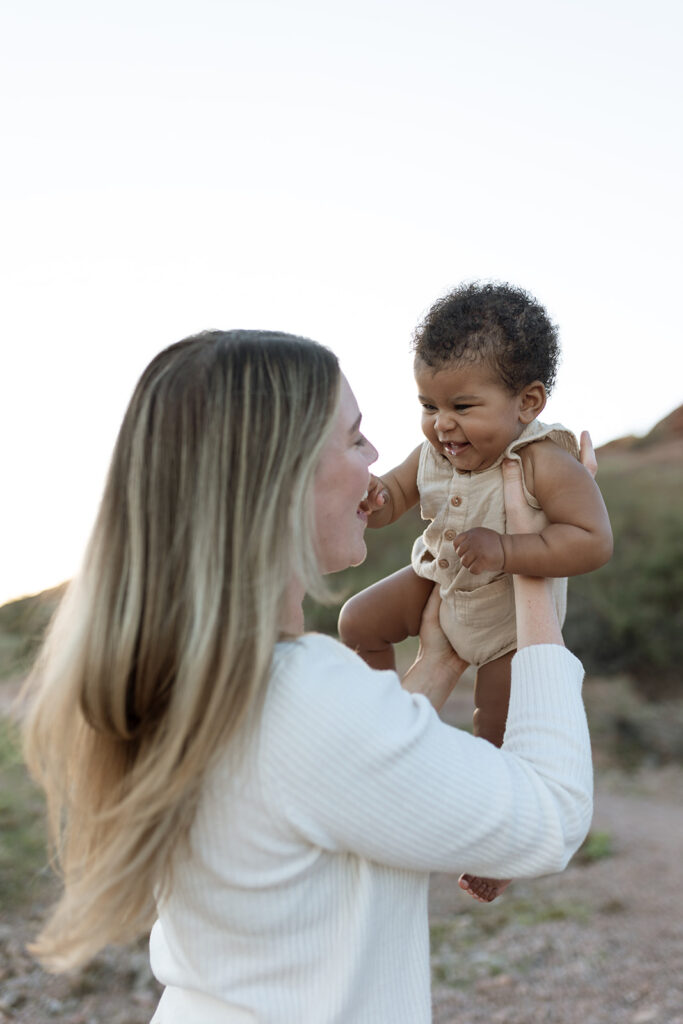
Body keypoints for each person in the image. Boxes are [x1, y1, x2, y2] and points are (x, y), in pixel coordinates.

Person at [22, 329, 594, 1024]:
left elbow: (344, 773)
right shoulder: (302, 695)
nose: (378, 459)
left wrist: (437, 664)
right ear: (281, 475)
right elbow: (550, 818)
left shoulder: (205, 679)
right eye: (354, 440)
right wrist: (530, 567)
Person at [339, 282, 612, 903]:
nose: (442, 424)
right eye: (428, 405)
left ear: (527, 401)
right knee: (359, 621)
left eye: (462, 406)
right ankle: (385, 723)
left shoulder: (544, 461)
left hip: (508, 628)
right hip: (441, 580)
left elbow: (593, 541)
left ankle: (498, 853)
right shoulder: (433, 451)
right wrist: (376, 498)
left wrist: (509, 549)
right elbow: (396, 499)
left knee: (498, 733)